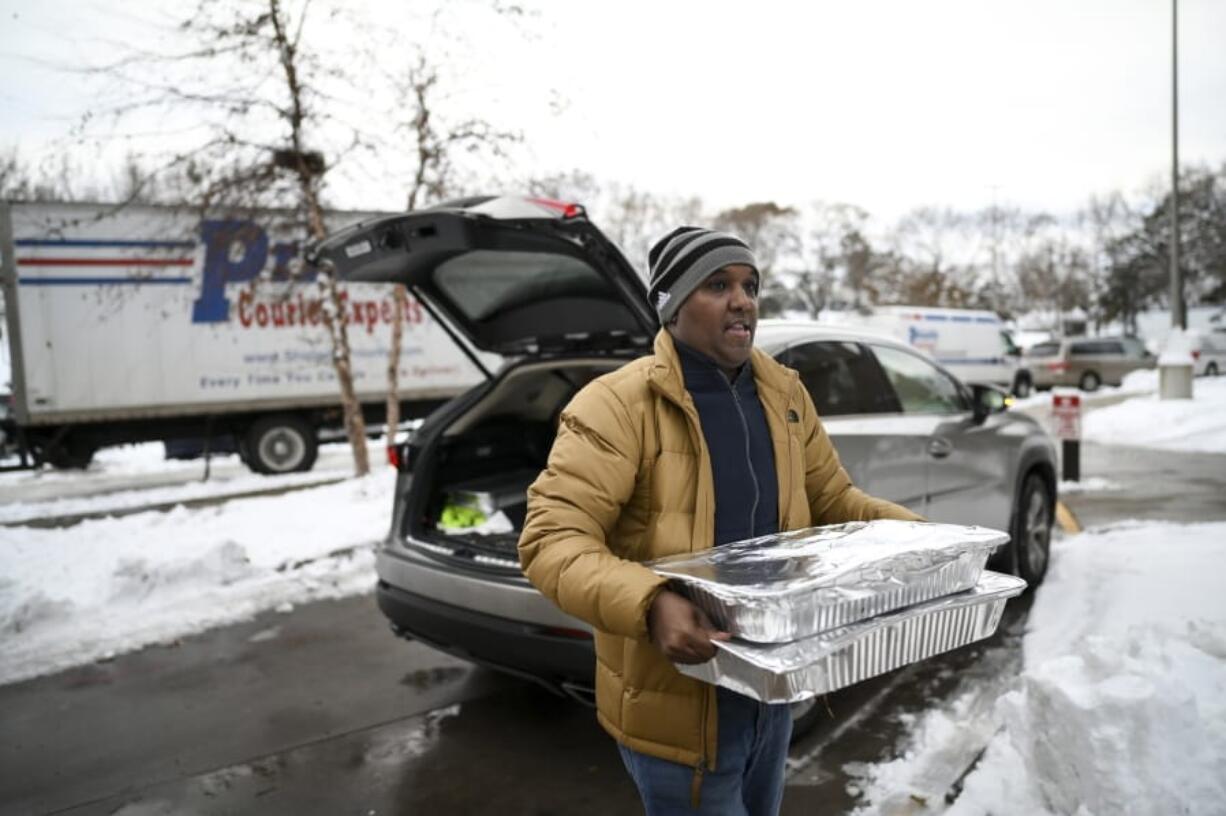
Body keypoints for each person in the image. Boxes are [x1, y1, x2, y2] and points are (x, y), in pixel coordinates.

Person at [518, 226, 923, 815]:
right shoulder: (615, 405)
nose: (743, 300)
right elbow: (551, 541)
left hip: (771, 691)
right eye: (718, 285)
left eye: (750, 285)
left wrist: (921, 534)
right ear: (672, 305)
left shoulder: (784, 395)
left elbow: (835, 500)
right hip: (679, 711)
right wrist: (652, 601)